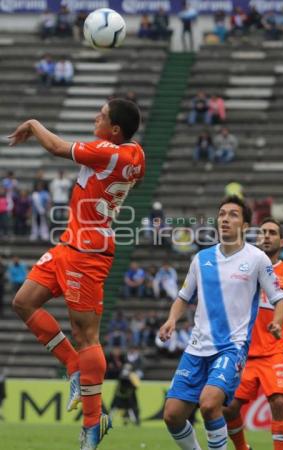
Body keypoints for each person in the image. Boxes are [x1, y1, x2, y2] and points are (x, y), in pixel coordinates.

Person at [8, 98, 144, 450]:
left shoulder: (105, 150)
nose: (94, 117)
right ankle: (71, 365)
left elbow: (54, 147)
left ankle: (93, 421)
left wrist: (33, 122)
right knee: (23, 302)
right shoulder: (136, 155)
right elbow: (131, 181)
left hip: (87, 252)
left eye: (100, 115)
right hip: (71, 243)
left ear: (114, 130)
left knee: (87, 336)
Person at [159, 195, 283, 450]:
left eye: (233, 215)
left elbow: (280, 300)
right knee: (172, 415)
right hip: (197, 348)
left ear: (245, 226)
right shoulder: (201, 258)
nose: (225, 219)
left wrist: (276, 322)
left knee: (209, 404)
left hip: (231, 347)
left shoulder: (257, 259)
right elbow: (183, 297)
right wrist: (171, 319)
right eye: (222, 214)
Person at [224, 218, 283, 450]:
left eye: (272, 233)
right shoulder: (243, 270)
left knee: (278, 401)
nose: (266, 236)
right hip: (244, 353)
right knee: (229, 408)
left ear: (281, 241)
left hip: (274, 352)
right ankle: (242, 448)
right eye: (263, 232)